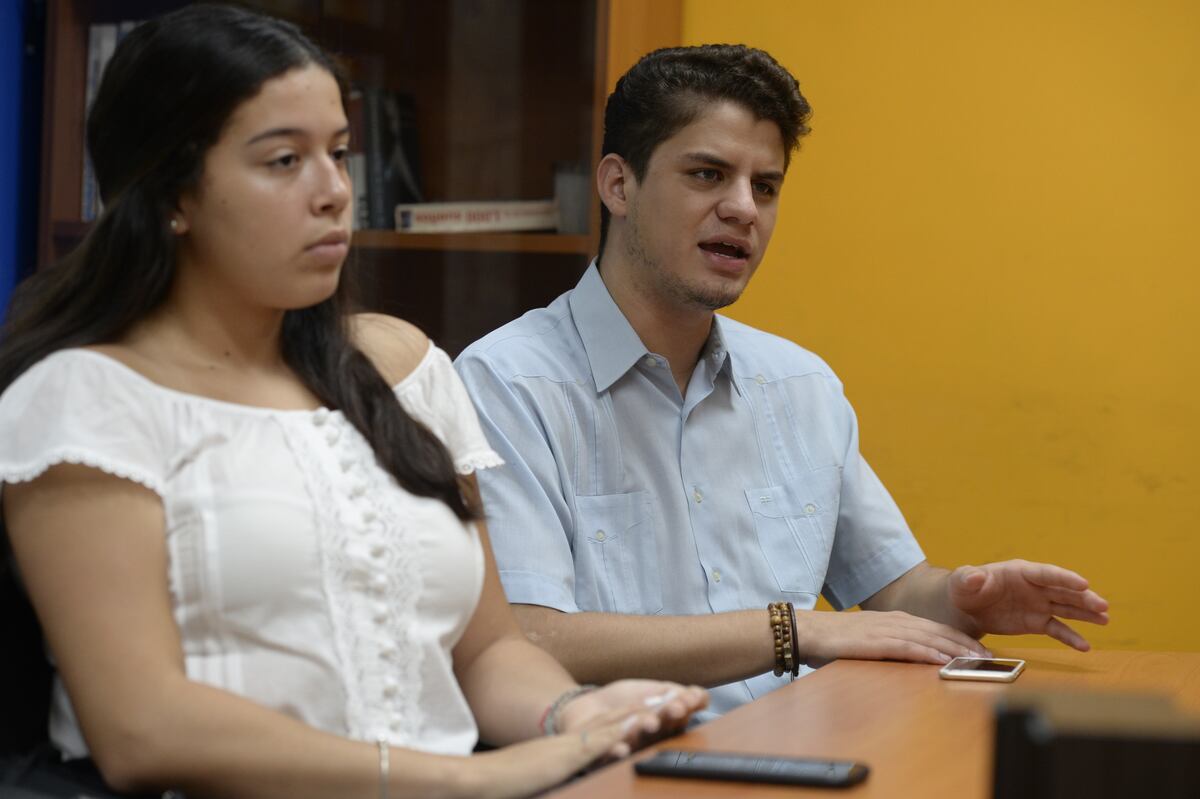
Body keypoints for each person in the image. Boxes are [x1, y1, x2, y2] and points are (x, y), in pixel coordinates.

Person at [0, 6, 706, 798]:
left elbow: (484, 651)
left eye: (339, 152)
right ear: (173, 193)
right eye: (282, 161)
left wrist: (573, 715)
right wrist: (461, 778)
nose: (336, 191)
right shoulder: (82, 400)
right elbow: (143, 726)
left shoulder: (399, 369)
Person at [453, 44, 1110, 721]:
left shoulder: (802, 386)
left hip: (803, 751)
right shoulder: (506, 383)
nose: (744, 209)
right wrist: (793, 630)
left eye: (765, 186)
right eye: (709, 174)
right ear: (619, 186)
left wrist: (965, 598)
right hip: (620, 765)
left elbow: (893, 592)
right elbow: (524, 636)